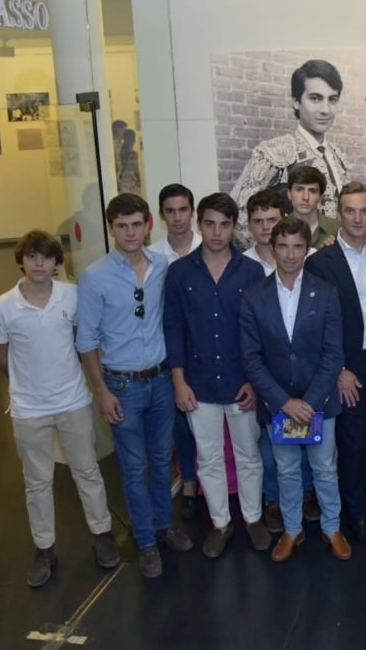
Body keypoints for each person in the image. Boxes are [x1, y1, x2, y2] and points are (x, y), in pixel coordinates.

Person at [0, 230, 119, 587]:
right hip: (29, 409)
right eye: (32, 256)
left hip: (73, 402)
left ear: (57, 263)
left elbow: (85, 340)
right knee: (37, 482)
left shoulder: (73, 297)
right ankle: (44, 548)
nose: (39, 263)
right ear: (21, 260)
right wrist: (24, 384)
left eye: (46, 257)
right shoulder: (3, 307)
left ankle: (102, 534)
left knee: (87, 471)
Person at [76, 193, 193, 579]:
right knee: (134, 466)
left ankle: (164, 525)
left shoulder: (165, 267)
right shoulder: (95, 277)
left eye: (136, 224)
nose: (130, 232)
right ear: (112, 229)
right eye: (121, 226)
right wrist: (101, 392)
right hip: (121, 385)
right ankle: (145, 542)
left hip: (160, 380)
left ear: (148, 225)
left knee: (162, 461)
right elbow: (86, 342)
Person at [239, 216, 351, 562]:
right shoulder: (253, 297)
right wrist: (284, 402)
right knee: (286, 470)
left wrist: (311, 403)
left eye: (298, 246)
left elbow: (334, 354)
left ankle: (332, 528)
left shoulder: (326, 292)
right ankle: (292, 530)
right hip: (279, 404)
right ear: (272, 249)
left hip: (319, 401)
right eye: (283, 246)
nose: (290, 254)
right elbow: (251, 357)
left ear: (307, 249)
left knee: (324, 468)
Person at [164, 193, 270, 558]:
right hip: (198, 384)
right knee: (207, 457)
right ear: (199, 223)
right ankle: (220, 524)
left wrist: (255, 381)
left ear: (234, 226)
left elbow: (259, 333)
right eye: (209, 223)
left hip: (242, 383)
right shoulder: (179, 273)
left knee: (248, 454)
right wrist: (178, 382)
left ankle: (253, 519)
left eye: (225, 224)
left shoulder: (251, 271)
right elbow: (173, 330)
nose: (216, 231)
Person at [305, 181, 366, 550]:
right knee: (353, 442)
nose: (357, 218)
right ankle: (354, 516)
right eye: (350, 211)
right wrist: (340, 370)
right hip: (347, 366)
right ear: (338, 214)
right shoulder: (320, 261)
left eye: (364, 211)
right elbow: (317, 325)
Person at [242, 187, 321, 529]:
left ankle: (306, 494)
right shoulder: (244, 266)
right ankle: (274, 499)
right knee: (271, 445)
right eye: (258, 221)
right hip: (268, 377)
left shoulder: (313, 260)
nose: (265, 226)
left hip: (307, 373)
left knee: (306, 444)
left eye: (272, 219)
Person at [231, 59, 350, 246]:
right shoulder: (276, 152)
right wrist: (274, 254)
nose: (325, 110)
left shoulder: (337, 156)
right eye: (315, 98)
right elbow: (239, 215)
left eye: (332, 99)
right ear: (296, 102)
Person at [148, 183, 202, 520]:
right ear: (161, 215)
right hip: (172, 353)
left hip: (210, 350)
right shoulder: (153, 257)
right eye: (170, 211)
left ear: (192, 211)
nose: (178, 217)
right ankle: (189, 482)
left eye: (183, 209)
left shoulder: (210, 245)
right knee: (181, 422)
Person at [287, 166, 339, 249]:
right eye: (299, 189)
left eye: (312, 191)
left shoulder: (338, 230)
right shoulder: (276, 229)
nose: (306, 197)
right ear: (289, 194)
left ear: (321, 197)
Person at [117, 129, 141, 195]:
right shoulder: (133, 154)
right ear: (134, 140)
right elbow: (136, 169)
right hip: (131, 184)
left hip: (121, 182)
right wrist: (140, 181)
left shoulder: (119, 152)